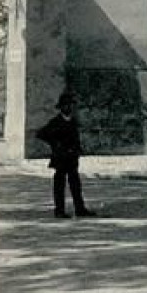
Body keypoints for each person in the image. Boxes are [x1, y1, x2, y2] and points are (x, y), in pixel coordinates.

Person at [35, 91, 95, 219]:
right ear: (61, 107)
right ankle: (59, 210)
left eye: (71, 105)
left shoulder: (73, 121)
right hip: (60, 158)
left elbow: (75, 139)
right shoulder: (55, 122)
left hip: (72, 158)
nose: (69, 108)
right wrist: (55, 144)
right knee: (59, 186)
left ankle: (80, 209)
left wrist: (78, 149)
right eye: (66, 105)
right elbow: (41, 134)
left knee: (75, 185)